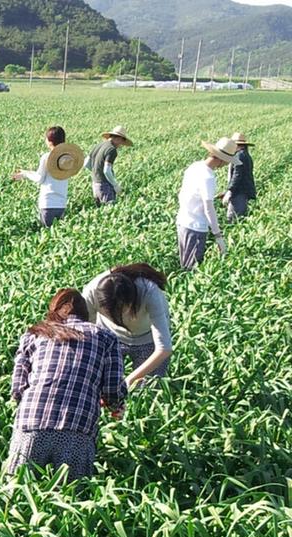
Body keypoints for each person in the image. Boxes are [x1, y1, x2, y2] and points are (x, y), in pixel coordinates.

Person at [6, 289, 127, 481]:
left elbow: (17, 387)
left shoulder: (35, 334)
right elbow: (113, 389)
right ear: (85, 312)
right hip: (77, 428)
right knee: (72, 492)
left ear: (53, 310)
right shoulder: (106, 338)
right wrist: (115, 406)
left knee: (17, 488)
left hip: (31, 422)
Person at [82, 263, 172, 388]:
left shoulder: (149, 291)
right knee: (101, 384)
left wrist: (128, 381)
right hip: (110, 335)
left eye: (121, 311)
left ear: (132, 301)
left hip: (147, 337)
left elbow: (164, 348)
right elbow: (85, 330)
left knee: (147, 387)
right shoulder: (92, 291)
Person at [176, 136, 241, 270]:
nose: (226, 164)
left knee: (185, 264)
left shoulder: (194, 166)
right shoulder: (208, 177)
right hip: (196, 227)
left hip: (182, 222)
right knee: (192, 268)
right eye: (227, 161)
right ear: (222, 159)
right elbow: (208, 209)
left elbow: (183, 193)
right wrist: (218, 235)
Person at [11, 126, 82, 227]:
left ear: (50, 141)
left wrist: (25, 174)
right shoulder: (67, 158)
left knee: (46, 230)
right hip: (61, 204)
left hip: (48, 203)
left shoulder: (47, 157)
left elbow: (39, 178)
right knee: (58, 232)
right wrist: (26, 172)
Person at [85, 126, 132, 205]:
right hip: (105, 186)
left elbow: (86, 163)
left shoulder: (98, 145)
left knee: (99, 209)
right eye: (121, 142)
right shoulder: (111, 149)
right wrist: (115, 185)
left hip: (95, 184)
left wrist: (97, 172)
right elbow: (107, 170)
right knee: (109, 207)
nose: (120, 145)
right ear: (119, 138)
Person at [224, 132, 256, 222]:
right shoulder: (244, 154)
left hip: (239, 192)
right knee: (237, 217)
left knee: (233, 219)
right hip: (241, 192)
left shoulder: (240, 156)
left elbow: (237, 175)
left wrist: (230, 191)